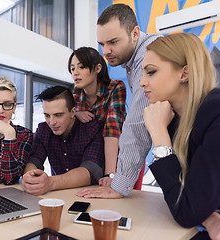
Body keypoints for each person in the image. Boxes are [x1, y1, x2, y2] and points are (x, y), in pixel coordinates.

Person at [141, 33, 220, 239]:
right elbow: (183, 198)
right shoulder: (173, 119)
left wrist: (158, 134)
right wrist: (210, 218)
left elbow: (186, 211)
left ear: (184, 73)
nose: (141, 83)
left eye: (151, 72)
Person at [77, 3, 161, 198]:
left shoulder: (148, 54)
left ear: (135, 33)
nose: (106, 51)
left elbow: (137, 125)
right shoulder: (132, 61)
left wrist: (118, 185)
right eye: (102, 44)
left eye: (113, 42)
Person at [21, 86, 105, 196]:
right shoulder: (44, 130)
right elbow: (33, 161)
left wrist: (49, 183)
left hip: (91, 197)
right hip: (58, 197)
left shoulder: (92, 130)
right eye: (47, 115)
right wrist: (30, 178)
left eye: (58, 115)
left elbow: (90, 171)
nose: (51, 122)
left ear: (73, 112)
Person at [68, 46, 126, 186]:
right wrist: (75, 114)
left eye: (81, 67)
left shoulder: (115, 88)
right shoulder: (75, 96)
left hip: (121, 157)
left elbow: (112, 129)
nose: (75, 73)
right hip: (92, 160)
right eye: (72, 68)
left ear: (97, 68)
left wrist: (110, 174)